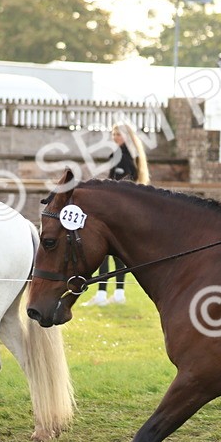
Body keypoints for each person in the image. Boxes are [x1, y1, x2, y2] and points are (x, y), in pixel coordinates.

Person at [85, 123, 150, 307]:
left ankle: (101, 295)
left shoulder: (121, 155)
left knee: (104, 252)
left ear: (126, 136)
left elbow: (119, 185)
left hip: (117, 210)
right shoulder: (133, 155)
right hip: (127, 210)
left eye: (118, 134)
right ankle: (119, 293)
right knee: (118, 254)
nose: (115, 137)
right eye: (113, 134)